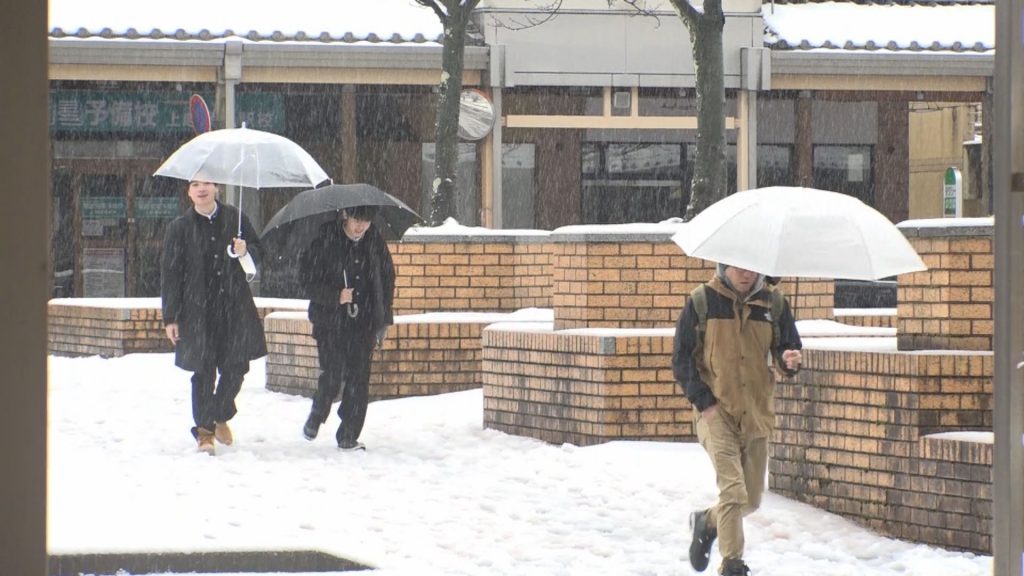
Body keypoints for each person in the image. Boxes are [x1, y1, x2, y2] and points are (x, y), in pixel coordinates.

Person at [672, 263, 802, 576]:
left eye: (752, 269)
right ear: (723, 265)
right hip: (717, 411)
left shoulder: (775, 304)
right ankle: (732, 564)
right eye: (738, 268)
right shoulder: (702, 301)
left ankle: (708, 521)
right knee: (732, 490)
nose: (745, 274)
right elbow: (681, 359)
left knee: (751, 499)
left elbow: (788, 350)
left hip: (756, 413)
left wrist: (789, 361)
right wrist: (705, 403)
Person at [160, 179, 267, 455]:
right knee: (203, 372)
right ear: (189, 191)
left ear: (216, 187)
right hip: (196, 311)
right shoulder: (179, 229)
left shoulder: (236, 218)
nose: (201, 188)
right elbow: (171, 275)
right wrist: (170, 317)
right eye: (195, 184)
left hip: (234, 308)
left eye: (207, 182)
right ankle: (205, 432)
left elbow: (259, 253)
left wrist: (245, 252)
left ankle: (220, 413)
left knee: (237, 367)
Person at [299, 205, 395, 451]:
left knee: (358, 381)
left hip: (363, 324)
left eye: (366, 222)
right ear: (346, 217)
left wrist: (383, 319)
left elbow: (387, 281)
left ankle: (348, 434)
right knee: (331, 375)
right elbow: (306, 281)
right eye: (357, 220)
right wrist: (335, 296)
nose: (360, 227)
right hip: (329, 323)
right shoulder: (326, 240)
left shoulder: (375, 243)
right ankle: (318, 413)